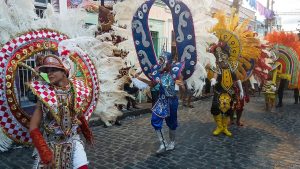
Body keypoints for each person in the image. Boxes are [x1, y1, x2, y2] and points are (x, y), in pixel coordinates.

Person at [28, 55, 93, 169]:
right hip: (50, 143)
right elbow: (33, 126)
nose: (49, 73)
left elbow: (79, 112)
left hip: (73, 141)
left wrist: (86, 131)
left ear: (64, 72)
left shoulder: (75, 90)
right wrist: (45, 153)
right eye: (47, 71)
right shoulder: (44, 94)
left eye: (53, 70)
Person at [150, 52, 185, 153]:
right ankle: (163, 144)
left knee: (171, 123)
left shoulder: (176, 73)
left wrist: (181, 85)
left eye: (162, 60)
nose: (160, 62)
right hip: (162, 100)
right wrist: (138, 79)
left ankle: (172, 142)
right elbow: (152, 84)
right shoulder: (158, 73)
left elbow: (182, 88)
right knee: (155, 119)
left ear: (168, 61)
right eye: (159, 60)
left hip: (172, 101)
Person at [210, 45, 244, 137]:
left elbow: (237, 79)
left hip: (229, 92)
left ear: (228, 56)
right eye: (221, 55)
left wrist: (241, 90)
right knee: (216, 108)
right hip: (219, 92)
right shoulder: (218, 66)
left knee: (227, 109)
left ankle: (225, 127)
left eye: (224, 55)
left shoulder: (232, 67)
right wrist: (213, 80)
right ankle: (219, 127)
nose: (222, 57)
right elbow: (215, 74)